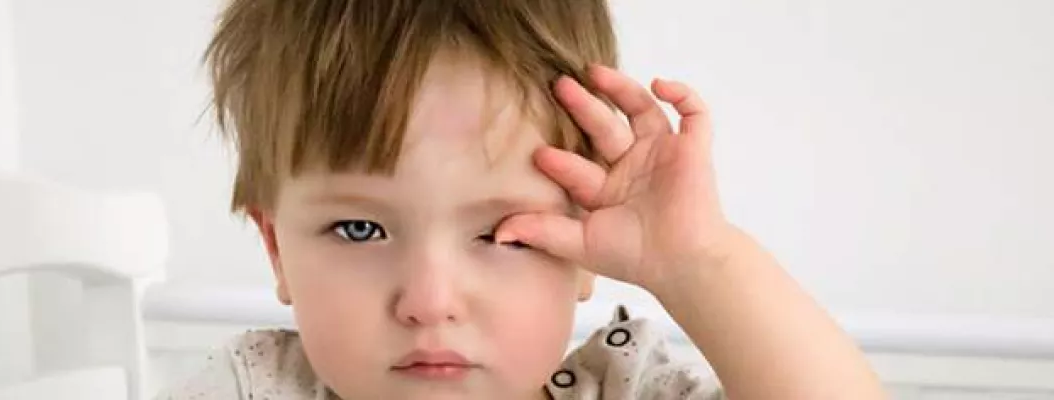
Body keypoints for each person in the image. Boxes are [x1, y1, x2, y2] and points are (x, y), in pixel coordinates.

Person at [158, 0, 883, 398]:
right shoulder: (247, 390)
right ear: (278, 247)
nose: (430, 300)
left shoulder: (629, 392)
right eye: (358, 228)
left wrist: (699, 260)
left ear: (585, 242)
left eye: (504, 233)